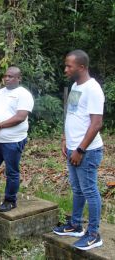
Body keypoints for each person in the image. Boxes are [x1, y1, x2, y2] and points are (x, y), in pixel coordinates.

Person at [53, 50, 104, 250]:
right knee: (77, 189)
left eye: (69, 66)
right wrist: (66, 139)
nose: (66, 69)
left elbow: (96, 123)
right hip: (74, 147)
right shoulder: (76, 86)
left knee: (90, 191)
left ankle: (94, 234)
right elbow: (72, 114)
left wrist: (81, 149)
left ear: (81, 67)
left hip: (87, 151)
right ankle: (75, 225)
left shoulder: (93, 89)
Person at [0, 66, 34, 212]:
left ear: (18, 78)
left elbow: (20, 117)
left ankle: (10, 200)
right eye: (5, 76)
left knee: (12, 171)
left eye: (11, 76)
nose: (7, 79)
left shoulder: (23, 94)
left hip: (13, 141)